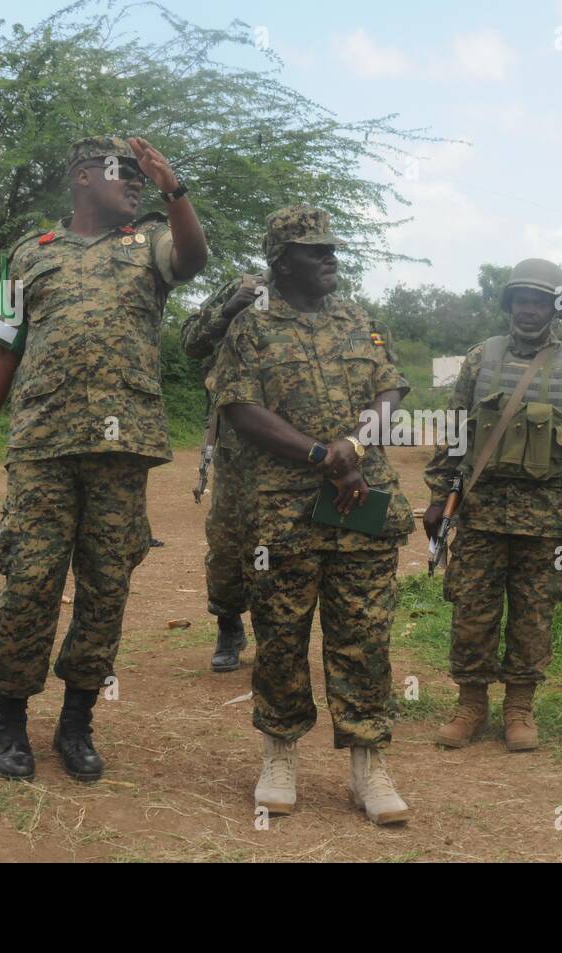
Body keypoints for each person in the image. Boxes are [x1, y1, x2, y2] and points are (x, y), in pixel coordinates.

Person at [0, 135, 206, 781]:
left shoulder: (149, 241)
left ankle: (76, 721)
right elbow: (1, 351)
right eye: (121, 173)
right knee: (30, 579)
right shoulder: (28, 256)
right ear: (80, 177)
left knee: (105, 587)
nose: (133, 182)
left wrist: (172, 188)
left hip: (120, 448)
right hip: (43, 443)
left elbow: (192, 259)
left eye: (138, 176)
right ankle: (10, 716)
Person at [210, 205, 414, 825]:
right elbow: (241, 408)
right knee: (279, 635)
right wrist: (326, 455)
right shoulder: (252, 328)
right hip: (284, 512)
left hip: (362, 504)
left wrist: (355, 446)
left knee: (364, 638)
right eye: (314, 250)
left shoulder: (359, 321)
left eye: (332, 249)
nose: (330, 259)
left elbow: (390, 389)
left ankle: (369, 765)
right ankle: (279, 754)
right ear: (282, 261)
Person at [424, 259, 562, 752]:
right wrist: (437, 497)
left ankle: (520, 709)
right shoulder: (480, 358)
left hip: (547, 519)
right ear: (509, 304)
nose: (528, 311)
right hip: (482, 513)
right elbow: (455, 430)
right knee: (473, 610)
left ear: (555, 308)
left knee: (534, 614)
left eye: (539, 302)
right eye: (520, 300)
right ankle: (469, 705)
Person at [180, 277, 264, 672]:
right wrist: (229, 308)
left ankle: (276, 632)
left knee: (282, 542)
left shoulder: (316, 299)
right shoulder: (242, 287)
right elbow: (191, 342)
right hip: (235, 442)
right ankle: (228, 625)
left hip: (296, 443)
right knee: (228, 539)